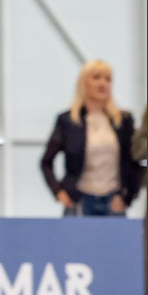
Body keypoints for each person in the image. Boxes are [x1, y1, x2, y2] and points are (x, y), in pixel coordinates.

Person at [40, 59, 141, 217]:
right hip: (79, 200)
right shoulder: (68, 121)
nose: (103, 83)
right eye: (96, 77)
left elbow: (136, 162)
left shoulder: (123, 121)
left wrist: (128, 197)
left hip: (114, 202)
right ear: (83, 83)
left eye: (108, 79)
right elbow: (46, 161)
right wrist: (58, 191)